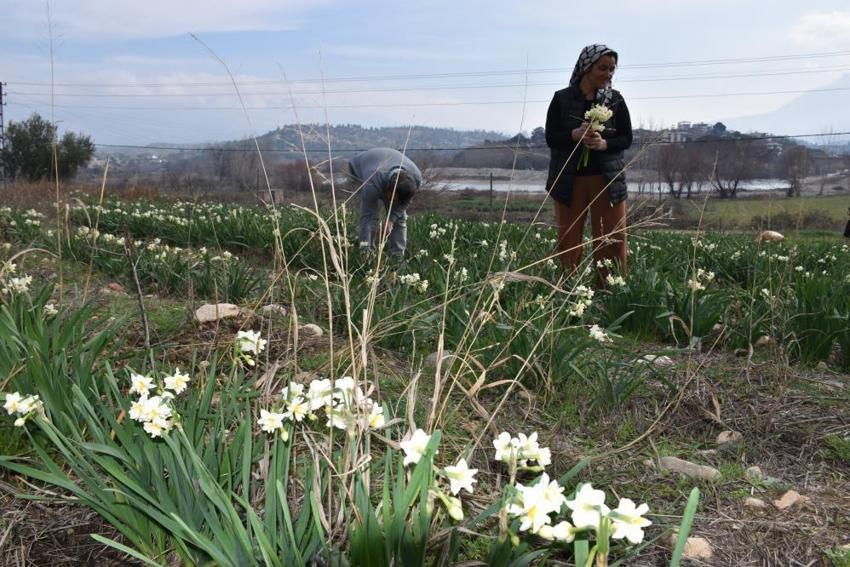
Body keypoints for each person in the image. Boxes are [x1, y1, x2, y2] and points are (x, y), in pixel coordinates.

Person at [545, 44, 633, 282]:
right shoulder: (562, 99)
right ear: (586, 67)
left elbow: (627, 138)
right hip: (569, 181)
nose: (609, 74)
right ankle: (568, 291)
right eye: (603, 68)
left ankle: (610, 291)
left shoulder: (615, 100)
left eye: (612, 69)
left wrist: (605, 145)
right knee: (569, 240)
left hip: (607, 181)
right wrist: (573, 135)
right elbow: (551, 138)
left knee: (611, 239)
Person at [348, 147, 422, 257]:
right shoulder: (372, 183)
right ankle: (366, 254)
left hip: (386, 172)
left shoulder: (416, 179)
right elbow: (367, 216)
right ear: (389, 190)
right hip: (360, 168)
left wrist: (391, 220)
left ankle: (397, 256)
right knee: (370, 217)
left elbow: (404, 204)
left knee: (399, 218)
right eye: (394, 199)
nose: (395, 202)